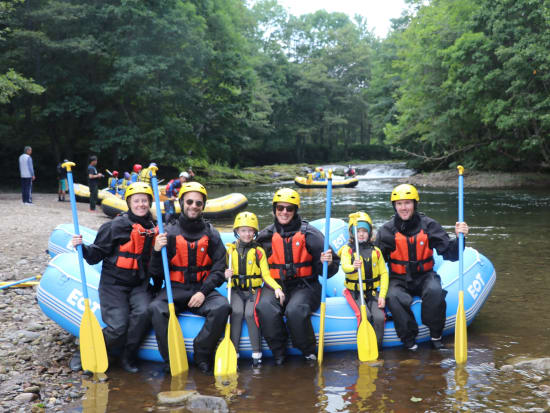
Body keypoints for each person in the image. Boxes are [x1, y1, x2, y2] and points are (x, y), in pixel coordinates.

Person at [70, 182, 158, 373]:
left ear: (150, 203)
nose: (141, 204)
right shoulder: (114, 226)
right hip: (114, 285)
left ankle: (128, 356)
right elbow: (94, 256)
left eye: (145, 201)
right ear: (129, 203)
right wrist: (81, 247)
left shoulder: (154, 228)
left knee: (144, 313)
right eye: (136, 201)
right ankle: (85, 353)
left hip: (139, 285)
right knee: (119, 326)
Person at [375, 184, 469, 351]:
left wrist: (459, 237)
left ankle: (435, 336)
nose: (403, 208)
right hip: (399, 278)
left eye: (407, 203)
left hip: (425, 275)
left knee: (435, 291)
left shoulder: (429, 226)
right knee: (393, 297)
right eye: (399, 204)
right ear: (394, 206)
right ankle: (409, 340)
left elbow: (451, 254)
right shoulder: (386, 231)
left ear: (415, 204)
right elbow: (375, 261)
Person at [149, 182, 230, 374]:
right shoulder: (168, 233)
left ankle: (202, 353)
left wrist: (203, 292)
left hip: (201, 289)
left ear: (203, 206)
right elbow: (155, 272)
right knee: (156, 309)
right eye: (190, 202)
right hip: (175, 289)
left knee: (222, 307)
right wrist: (156, 251)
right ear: (182, 203)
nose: (194, 206)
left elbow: (219, 269)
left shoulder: (211, 234)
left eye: (198, 203)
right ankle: (171, 359)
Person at [255, 188, 340, 364]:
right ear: (274, 209)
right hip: (276, 285)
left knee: (294, 310)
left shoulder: (311, 234)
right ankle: (279, 353)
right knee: (264, 307)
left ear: (295, 211)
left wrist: (328, 262)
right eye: (280, 208)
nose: (284, 212)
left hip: (305, 286)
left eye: (289, 208)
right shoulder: (265, 237)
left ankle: (308, 352)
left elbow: (331, 270)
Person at [224, 211, 285, 367]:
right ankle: (234, 354)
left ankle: (257, 355)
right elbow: (222, 272)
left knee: (251, 314)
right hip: (236, 291)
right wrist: (226, 274)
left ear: (255, 232)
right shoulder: (230, 251)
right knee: (236, 312)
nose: (247, 234)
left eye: (250, 230)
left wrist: (277, 288)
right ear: (237, 231)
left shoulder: (259, 251)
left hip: (253, 291)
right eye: (243, 230)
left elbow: (266, 275)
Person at [339, 212, 388, 348]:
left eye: (364, 231)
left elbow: (384, 273)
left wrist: (382, 295)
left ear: (369, 233)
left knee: (378, 317)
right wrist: (353, 267)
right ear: (352, 233)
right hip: (354, 292)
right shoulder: (347, 250)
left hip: (371, 292)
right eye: (358, 231)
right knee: (364, 314)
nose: (361, 234)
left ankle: (377, 347)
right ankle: (364, 347)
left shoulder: (376, 251)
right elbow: (344, 266)